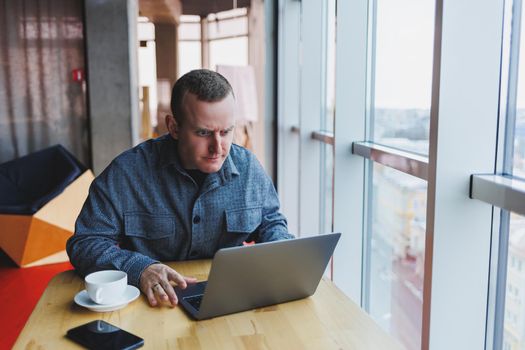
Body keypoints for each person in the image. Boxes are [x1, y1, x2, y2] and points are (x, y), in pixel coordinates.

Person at [66, 69, 293, 307]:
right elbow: (85, 243)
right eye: (204, 133)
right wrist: (140, 269)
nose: (218, 148)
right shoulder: (127, 173)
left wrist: (279, 253)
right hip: (151, 303)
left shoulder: (249, 170)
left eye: (226, 132)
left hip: (227, 301)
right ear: (173, 127)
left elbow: (271, 222)